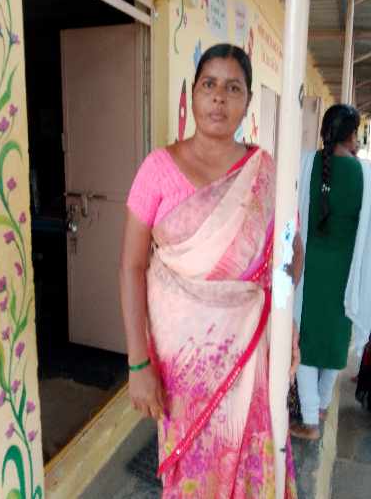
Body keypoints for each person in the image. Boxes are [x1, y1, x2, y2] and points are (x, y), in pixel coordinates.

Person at [119, 43, 301, 497]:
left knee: (251, 459)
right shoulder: (157, 168)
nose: (219, 97)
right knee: (193, 469)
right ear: (194, 92)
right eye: (209, 84)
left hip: (249, 351)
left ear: (247, 101)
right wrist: (138, 363)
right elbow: (131, 266)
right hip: (182, 363)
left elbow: (289, 254)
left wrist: (282, 310)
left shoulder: (263, 170)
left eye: (233, 88)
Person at [291, 104, 371, 440]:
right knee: (335, 339)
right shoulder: (363, 174)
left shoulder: (306, 163)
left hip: (308, 269)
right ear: (351, 135)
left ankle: (309, 421)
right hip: (345, 274)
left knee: (305, 341)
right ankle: (321, 406)